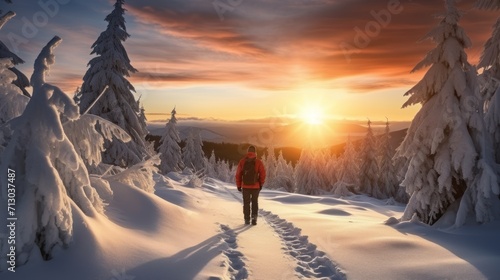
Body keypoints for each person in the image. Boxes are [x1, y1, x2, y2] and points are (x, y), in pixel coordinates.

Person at [235, 145, 266, 225]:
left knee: (246, 203)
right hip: (256, 186)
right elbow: (263, 174)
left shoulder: (242, 161)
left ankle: (246, 219)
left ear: (248, 152)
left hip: (245, 186)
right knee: (255, 202)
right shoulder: (258, 162)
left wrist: (239, 185)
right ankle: (254, 219)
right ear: (255, 152)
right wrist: (261, 184)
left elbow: (238, 174)